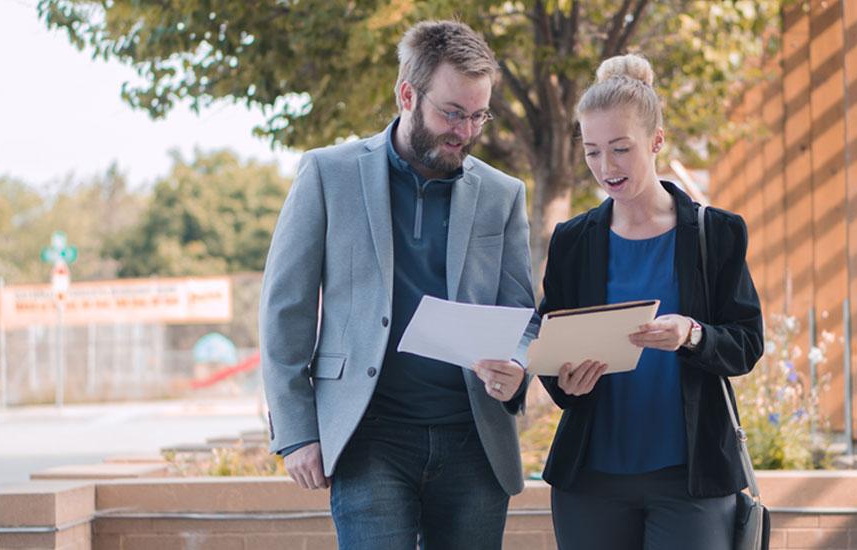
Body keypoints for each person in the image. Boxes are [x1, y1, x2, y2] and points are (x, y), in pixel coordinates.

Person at [258, 20, 536, 550]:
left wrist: (516, 369)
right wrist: (296, 431)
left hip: (474, 444)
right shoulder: (326, 174)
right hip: (370, 439)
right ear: (407, 94)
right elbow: (284, 309)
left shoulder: (503, 194)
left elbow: (519, 315)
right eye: (453, 113)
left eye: (478, 115)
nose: (466, 131)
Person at [535, 54, 764, 549]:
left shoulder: (716, 233)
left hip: (692, 478)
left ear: (656, 141)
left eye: (620, 149)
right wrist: (565, 382)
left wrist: (693, 335)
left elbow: (746, 343)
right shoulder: (573, 241)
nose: (605, 167)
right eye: (592, 152)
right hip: (590, 479)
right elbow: (548, 343)